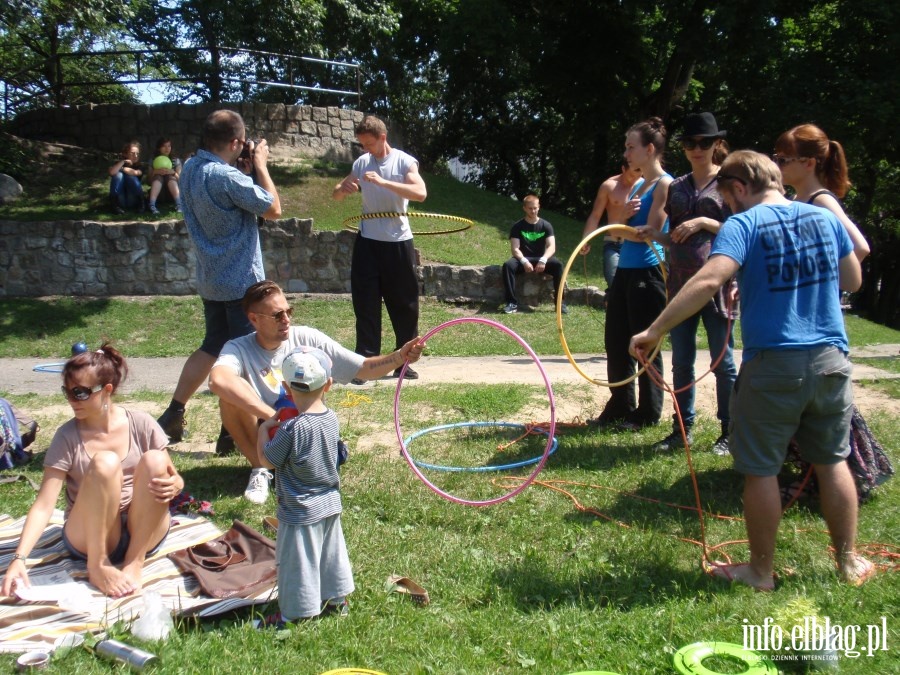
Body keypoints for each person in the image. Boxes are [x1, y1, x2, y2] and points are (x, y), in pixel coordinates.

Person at [630, 150, 874, 590]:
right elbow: (853, 280)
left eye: (727, 198)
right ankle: (848, 563)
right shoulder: (822, 217)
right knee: (832, 460)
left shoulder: (745, 224)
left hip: (775, 364)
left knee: (761, 469)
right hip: (832, 361)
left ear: (740, 188)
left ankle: (761, 572)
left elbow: (708, 280)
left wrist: (654, 329)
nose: (728, 207)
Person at [209, 280, 425, 504]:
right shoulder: (238, 348)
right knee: (229, 397)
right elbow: (218, 381)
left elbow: (363, 368)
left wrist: (400, 356)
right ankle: (260, 469)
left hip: (304, 427)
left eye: (288, 311)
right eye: (277, 315)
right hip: (265, 429)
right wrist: (274, 417)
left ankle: (307, 460)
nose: (286, 320)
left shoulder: (306, 338)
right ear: (254, 319)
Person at [1, 344, 182, 598]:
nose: (72, 401)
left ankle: (134, 563)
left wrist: (176, 485)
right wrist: (19, 558)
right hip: (90, 535)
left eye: (81, 393)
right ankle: (98, 566)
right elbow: (44, 505)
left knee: (154, 459)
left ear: (107, 390)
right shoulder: (67, 436)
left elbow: (172, 476)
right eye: (68, 392)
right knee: (104, 462)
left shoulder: (141, 423)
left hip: (141, 529)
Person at [774, 123, 892, 503]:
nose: (776, 166)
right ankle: (815, 477)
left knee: (818, 408)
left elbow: (860, 247)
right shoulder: (799, 201)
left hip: (818, 322)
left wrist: (827, 281)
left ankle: (834, 480)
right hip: (800, 322)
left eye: (783, 159)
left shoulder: (821, 201)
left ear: (808, 163)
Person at [156, 110, 281, 452]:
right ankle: (232, 431)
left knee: (213, 347)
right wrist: (262, 166)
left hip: (212, 279)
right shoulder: (226, 177)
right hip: (242, 286)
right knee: (246, 359)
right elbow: (273, 208)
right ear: (237, 142)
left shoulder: (192, 169)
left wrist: (244, 172)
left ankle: (174, 412)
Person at [638, 112, 737, 455]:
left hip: (718, 288)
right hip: (679, 287)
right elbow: (675, 239)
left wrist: (707, 222)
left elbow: (744, 234)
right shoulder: (676, 186)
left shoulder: (729, 185)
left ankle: (729, 431)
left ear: (716, 145)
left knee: (722, 362)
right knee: (681, 360)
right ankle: (682, 430)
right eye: (691, 143)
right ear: (682, 147)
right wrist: (656, 236)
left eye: (705, 143)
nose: (698, 149)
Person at [256, 348, 354, 625]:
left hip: (299, 509)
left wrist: (263, 432)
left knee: (297, 564)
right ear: (329, 385)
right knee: (331, 554)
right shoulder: (331, 418)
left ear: (286, 387)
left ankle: (293, 614)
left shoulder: (291, 429)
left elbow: (268, 460)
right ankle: (337, 600)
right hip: (330, 501)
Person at [332, 115, 427, 381]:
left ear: (383, 138)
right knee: (365, 303)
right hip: (368, 242)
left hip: (398, 242)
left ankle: (404, 362)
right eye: (362, 144)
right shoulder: (362, 163)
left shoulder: (404, 161)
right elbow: (337, 194)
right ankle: (366, 363)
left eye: (369, 144)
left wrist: (383, 182)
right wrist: (344, 187)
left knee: (404, 305)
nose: (366, 149)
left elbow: (420, 193)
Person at [590, 118, 671, 431]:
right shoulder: (639, 185)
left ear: (649, 150)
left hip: (648, 272)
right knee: (616, 340)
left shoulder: (665, 184)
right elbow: (625, 230)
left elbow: (650, 232)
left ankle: (648, 411)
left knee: (645, 343)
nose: (626, 152)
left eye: (630, 146)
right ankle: (620, 404)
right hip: (625, 268)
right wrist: (623, 219)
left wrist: (625, 225)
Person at [581, 163, 644, 291]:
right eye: (632, 174)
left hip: (635, 244)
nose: (635, 178)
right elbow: (595, 215)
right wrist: (586, 239)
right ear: (623, 168)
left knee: (635, 286)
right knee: (615, 284)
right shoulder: (609, 186)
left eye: (639, 174)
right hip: (613, 243)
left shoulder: (646, 185)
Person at [501, 194, 566, 314]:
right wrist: (524, 261)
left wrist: (544, 260)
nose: (533, 211)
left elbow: (552, 246)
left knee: (558, 265)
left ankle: (560, 303)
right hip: (523, 259)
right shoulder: (517, 226)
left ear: (539, 207)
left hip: (541, 259)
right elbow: (515, 249)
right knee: (508, 265)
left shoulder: (546, 225)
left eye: (535, 208)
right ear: (524, 208)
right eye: (530, 208)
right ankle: (511, 303)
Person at [108, 141, 145, 214]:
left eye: (137, 154)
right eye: (132, 153)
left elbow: (135, 172)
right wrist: (123, 162)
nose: (136, 156)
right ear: (125, 154)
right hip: (121, 199)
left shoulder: (140, 166)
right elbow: (112, 172)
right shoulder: (118, 164)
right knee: (118, 175)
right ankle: (115, 206)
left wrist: (121, 169)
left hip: (132, 199)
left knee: (130, 176)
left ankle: (142, 204)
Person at [147, 137, 183, 215]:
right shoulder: (153, 160)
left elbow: (181, 181)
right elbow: (149, 182)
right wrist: (155, 172)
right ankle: (152, 205)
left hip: (172, 194)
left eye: (169, 146)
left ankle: (179, 204)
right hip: (159, 194)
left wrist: (173, 172)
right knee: (158, 176)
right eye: (164, 146)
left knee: (170, 177)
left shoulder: (176, 160)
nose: (167, 148)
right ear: (159, 148)